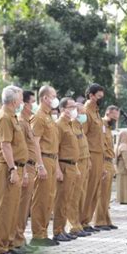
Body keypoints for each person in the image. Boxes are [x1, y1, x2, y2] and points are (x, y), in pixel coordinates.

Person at [0, 85, 28, 254]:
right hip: (8, 167)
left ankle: (9, 243)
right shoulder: (4, 117)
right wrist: (13, 168)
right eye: (21, 98)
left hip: (16, 167)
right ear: (14, 101)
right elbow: (5, 145)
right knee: (5, 208)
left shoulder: (12, 116)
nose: (22, 101)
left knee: (13, 208)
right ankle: (0, 247)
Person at [30, 85, 60, 247]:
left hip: (52, 159)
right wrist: (39, 165)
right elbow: (35, 143)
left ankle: (44, 232)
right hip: (44, 159)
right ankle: (37, 234)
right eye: (53, 96)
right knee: (41, 198)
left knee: (49, 198)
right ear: (45, 98)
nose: (55, 99)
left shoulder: (49, 117)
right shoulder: (39, 117)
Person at [53, 97, 81, 242]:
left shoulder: (70, 124)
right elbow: (55, 150)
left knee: (67, 200)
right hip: (63, 165)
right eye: (71, 107)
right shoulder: (59, 125)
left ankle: (62, 228)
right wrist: (57, 169)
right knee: (61, 200)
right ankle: (57, 231)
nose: (74, 109)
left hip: (71, 165)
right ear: (63, 109)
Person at [13, 91, 37, 252]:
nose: (34, 106)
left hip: (30, 166)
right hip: (24, 166)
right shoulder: (21, 122)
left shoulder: (27, 122)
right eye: (32, 102)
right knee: (20, 206)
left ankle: (20, 237)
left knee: (24, 206)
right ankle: (16, 239)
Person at [80, 83, 106, 233]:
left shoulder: (96, 112)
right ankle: (80, 221)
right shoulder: (85, 112)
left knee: (95, 190)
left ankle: (86, 221)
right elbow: (82, 136)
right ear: (91, 96)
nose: (101, 99)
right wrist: (87, 157)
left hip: (99, 155)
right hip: (90, 154)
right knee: (87, 189)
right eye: (99, 96)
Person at [67, 102, 92, 237]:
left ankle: (78, 223)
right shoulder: (72, 126)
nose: (84, 115)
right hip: (77, 163)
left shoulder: (80, 127)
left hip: (85, 162)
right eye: (81, 113)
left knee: (81, 195)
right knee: (74, 196)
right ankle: (72, 225)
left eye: (84, 113)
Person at [94, 105, 120, 230]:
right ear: (108, 113)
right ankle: (99, 221)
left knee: (107, 195)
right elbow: (101, 146)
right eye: (115, 116)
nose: (116, 119)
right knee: (102, 193)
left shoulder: (109, 127)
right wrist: (103, 164)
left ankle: (106, 219)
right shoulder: (102, 125)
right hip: (103, 161)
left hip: (109, 161)